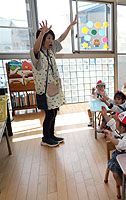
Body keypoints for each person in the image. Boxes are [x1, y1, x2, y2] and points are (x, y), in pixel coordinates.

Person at [30, 16, 77, 147]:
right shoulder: (37, 54)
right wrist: (42, 34)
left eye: (51, 38)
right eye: (48, 38)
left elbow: (61, 38)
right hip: (44, 91)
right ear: (42, 39)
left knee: (54, 111)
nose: (51, 41)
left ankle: (52, 135)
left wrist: (70, 26)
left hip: (54, 88)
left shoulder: (52, 50)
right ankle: (46, 138)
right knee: (49, 114)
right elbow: (35, 48)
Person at [101, 107, 126, 187]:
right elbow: (111, 122)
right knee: (116, 174)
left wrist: (110, 137)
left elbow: (120, 144)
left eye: (117, 121)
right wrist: (105, 115)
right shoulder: (119, 129)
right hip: (118, 154)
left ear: (122, 127)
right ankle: (124, 187)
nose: (115, 122)